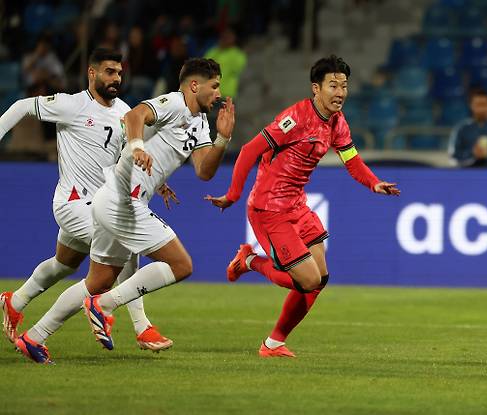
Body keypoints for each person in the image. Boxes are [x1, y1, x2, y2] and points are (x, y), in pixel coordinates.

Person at [14, 57, 234, 364]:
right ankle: (105, 306)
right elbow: (135, 115)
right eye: (215, 86)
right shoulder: (172, 103)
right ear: (194, 85)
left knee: (98, 280)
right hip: (123, 202)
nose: (218, 93)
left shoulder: (198, 123)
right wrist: (137, 148)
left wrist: (223, 138)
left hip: (113, 201)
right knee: (182, 265)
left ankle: (34, 337)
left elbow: (204, 171)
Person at [205, 55, 400, 358]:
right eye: (333, 85)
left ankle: (273, 343)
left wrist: (373, 183)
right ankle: (249, 261)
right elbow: (249, 150)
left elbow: (352, 161)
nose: (340, 92)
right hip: (269, 209)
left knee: (320, 278)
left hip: (297, 205)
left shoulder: (337, 122)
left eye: (344, 86)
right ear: (316, 88)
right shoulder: (295, 118)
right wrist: (232, 194)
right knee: (307, 280)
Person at [0, 48, 175, 358]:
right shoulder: (72, 104)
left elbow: (127, 155)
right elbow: (22, 106)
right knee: (126, 243)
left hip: (99, 205)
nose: (116, 78)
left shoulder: (124, 112)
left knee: (62, 265)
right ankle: (140, 326)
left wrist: (157, 182)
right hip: (73, 203)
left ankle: (14, 303)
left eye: (119, 73)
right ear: (92, 73)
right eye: (109, 72)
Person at [203, 27, 247, 100]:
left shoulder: (238, 54)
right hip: (210, 94)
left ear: (234, 38)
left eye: (229, 36)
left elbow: (239, 69)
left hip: (227, 95)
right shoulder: (214, 51)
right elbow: (203, 64)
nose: (226, 39)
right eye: (224, 36)